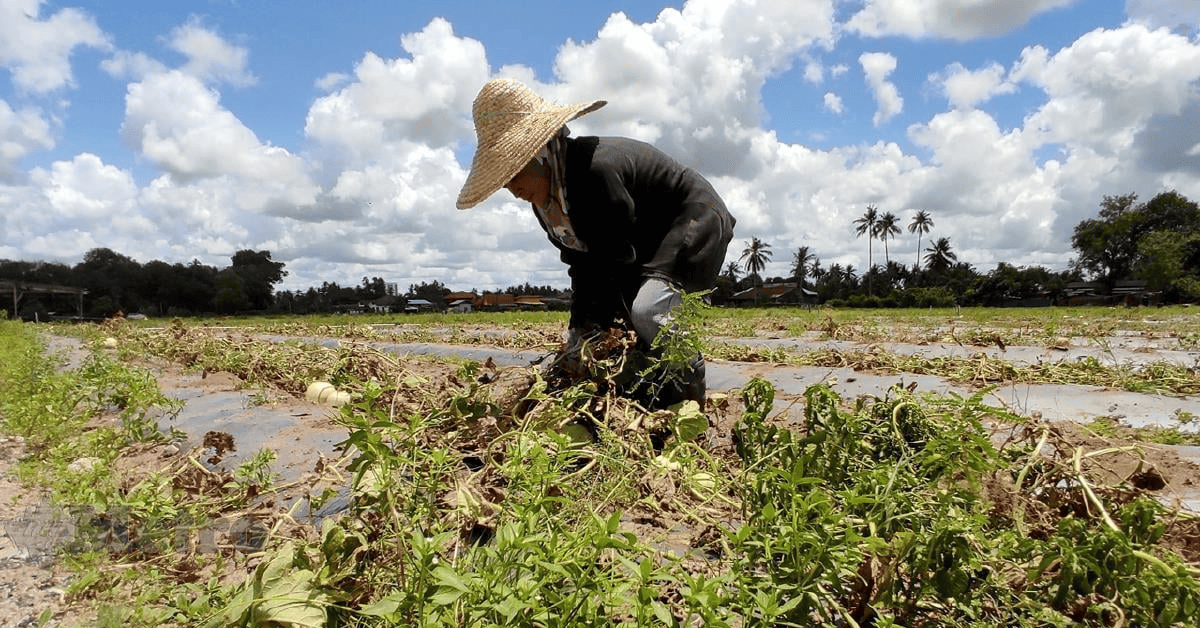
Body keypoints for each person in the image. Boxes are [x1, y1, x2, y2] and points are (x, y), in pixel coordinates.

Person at [456, 78, 736, 409]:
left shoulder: (593, 172)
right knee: (623, 321)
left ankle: (688, 395)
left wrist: (597, 331)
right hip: (644, 238)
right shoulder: (550, 205)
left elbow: (614, 261)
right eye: (504, 183)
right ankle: (648, 396)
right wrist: (578, 334)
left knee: (649, 311)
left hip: (692, 219)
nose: (512, 190)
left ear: (541, 154)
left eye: (515, 174)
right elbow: (582, 266)